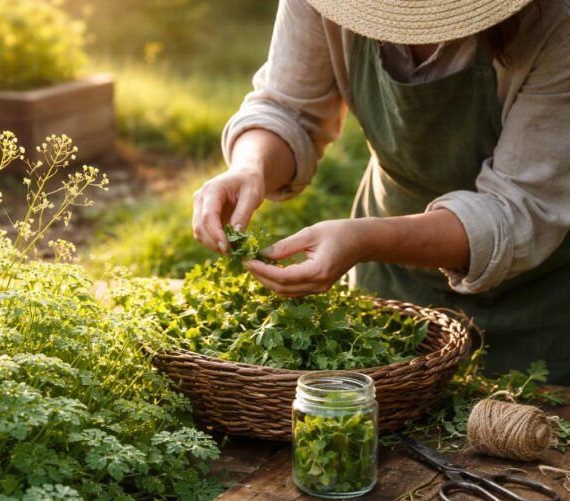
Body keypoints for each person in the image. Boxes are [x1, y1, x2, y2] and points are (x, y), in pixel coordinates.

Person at [192, 0, 570, 384]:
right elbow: (289, 108)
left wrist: (364, 239)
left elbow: (518, 210)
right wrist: (250, 168)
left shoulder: (556, 21)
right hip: (393, 288)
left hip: (539, 308)